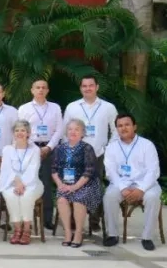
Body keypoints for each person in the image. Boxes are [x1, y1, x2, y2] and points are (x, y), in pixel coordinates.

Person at [62, 75, 118, 232]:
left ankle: (94, 220)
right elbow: (65, 130)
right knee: (73, 184)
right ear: (81, 88)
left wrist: (109, 148)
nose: (88, 88)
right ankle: (73, 219)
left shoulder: (108, 107)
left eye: (91, 85)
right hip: (76, 153)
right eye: (84, 86)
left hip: (98, 154)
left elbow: (115, 130)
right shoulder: (72, 107)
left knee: (96, 186)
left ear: (97, 87)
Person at [103, 113, 162, 251]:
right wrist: (123, 188)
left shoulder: (147, 145)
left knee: (152, 197)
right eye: (120, 126)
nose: (123, 128)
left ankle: (147, 237)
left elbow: (153, 171)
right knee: (109, 196)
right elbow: (111, 172)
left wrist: (141, 189)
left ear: (134, 127)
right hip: (121, 183)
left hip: (146, 183)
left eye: (127, 125)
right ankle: (112, 235)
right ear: (116, 129)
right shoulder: (112, 147)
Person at [17, 79, 63, 229]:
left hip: (50, 149)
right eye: (37, 87)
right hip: (30, 149)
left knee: (47, 184)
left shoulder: (55, 108)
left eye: (44, 87)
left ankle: (47, 219)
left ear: (48, 90)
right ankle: (27, 218)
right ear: (32, 90)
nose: (41, 90)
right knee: (29, 182)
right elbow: (21, 130)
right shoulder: (24, 108)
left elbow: (59, 130)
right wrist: (33, 147)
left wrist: (49, 147)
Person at [52, 119, 100, 248]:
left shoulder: (87, 148)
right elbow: (54, 170)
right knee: (61, 200)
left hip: (86, 184)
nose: (73, 132)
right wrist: (60, 184)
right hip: (65, 184)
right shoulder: (59, 148)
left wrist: (74, 187)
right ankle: (68, 233)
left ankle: (78, 233)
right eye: (70, 129)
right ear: (66, 132)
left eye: (77, 129)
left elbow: (89, 172)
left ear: (82, 133)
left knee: (79, 200)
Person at [0, 120, 44, 245]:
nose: (20, 133)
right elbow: (6, 169)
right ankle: (17, 229)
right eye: (17, 130)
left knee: (26, 196)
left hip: (32, 183)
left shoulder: (35, 150)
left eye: (23, 130)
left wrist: (22, 183)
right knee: (11, 196)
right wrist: (17, 181)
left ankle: (26, 230)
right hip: (11, 183)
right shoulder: (7, 149)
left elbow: (33, 170)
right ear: (13, 133)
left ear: (28, 133)